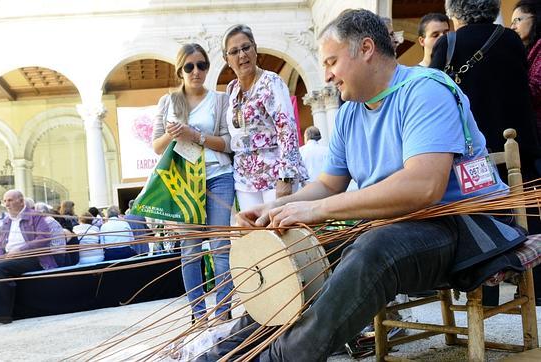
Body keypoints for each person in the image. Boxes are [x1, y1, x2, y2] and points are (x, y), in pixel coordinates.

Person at [200, 9, 526, 361]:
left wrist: (317, 210)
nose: (326, 74)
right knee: (295, 250)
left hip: (460, 227)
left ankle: (281, 357)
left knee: (373, 248)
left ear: (366, 48)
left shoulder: (424, 91)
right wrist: (274, 208)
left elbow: (423, 186)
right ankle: (230, 349)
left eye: (331, 61)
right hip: (395, 226)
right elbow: (328, 183)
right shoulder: (350, 113)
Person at [431, 0, 541, 305]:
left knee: (485, 215)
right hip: (519, 141)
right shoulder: (509, 38)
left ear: (454, 12)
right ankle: (537, 292)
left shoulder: (447, 44)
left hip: (474, 150)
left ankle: (486, 295)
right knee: (528, 212)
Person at [152, 43, 235, 322]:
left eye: (202, 65)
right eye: (189, 66)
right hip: (185, 181)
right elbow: (156, 146)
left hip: (219, 177)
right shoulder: (168, 102)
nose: (196, 71)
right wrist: (175, 134)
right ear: (180, 70)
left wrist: (195, 135)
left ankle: (223, 313)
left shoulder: (220, 100)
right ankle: (198, 315)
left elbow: (227, 143)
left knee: (220, 247)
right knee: (190, 250)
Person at [222, 25, 307, 211]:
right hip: (244, 180)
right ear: (227, 59)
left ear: (255, 48)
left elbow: (287, 129)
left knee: (282, 234)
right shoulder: (232, 89)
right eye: (234, 51)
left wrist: (286, 177)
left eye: (246, 47)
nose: (242, 55)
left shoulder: (271, 82)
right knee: (257, 237)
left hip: (275, 176)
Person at [0, 190, 57, 325]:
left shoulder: (35, 216)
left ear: (21, 201)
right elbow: (1, 245)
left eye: (10, 200)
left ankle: (2, 314)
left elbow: (44, 239)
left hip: (34, 258)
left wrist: (20, 250)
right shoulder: (7, 220)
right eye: (5, 201)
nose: (6, 204)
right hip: (11, 258)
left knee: (1, 268)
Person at [511, 0, 541, 306]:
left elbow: (534, 88)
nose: (513, 24)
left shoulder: (540, 50)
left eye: (519, 19)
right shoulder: (525, 51)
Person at [511, 0, 541, 141]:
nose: (513, 27)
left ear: (535, 18)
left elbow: (535, 89)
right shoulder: (528, 50)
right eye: (511, 23)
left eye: (517, 20)